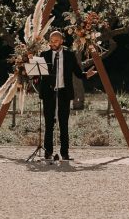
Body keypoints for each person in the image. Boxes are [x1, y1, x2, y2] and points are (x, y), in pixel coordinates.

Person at [37, 31, 97, 161]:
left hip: (64, 92)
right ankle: (48, 152)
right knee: (48, 123)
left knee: (63, 124)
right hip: (49, 92)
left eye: (56, 41)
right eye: (51, 41)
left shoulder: (69, 55)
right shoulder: (44, 55)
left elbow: (77, 72)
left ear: (62, 41)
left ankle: (64, 153)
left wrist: (87, 74)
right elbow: (37, 75)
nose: (53, 43)